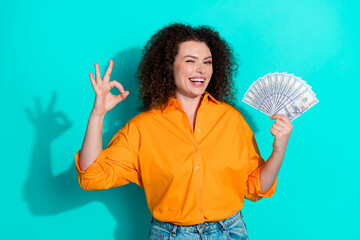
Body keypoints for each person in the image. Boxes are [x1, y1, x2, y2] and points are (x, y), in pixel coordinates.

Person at [75, 23, 293, 240]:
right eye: (190, 61)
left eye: (207, 62)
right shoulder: (143, 127)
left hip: (230, 232)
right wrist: (97, 114)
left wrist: (279, 150)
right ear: (168, 66)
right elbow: (92, 175)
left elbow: (255, 187)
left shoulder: (232, 120)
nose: (201, 69)